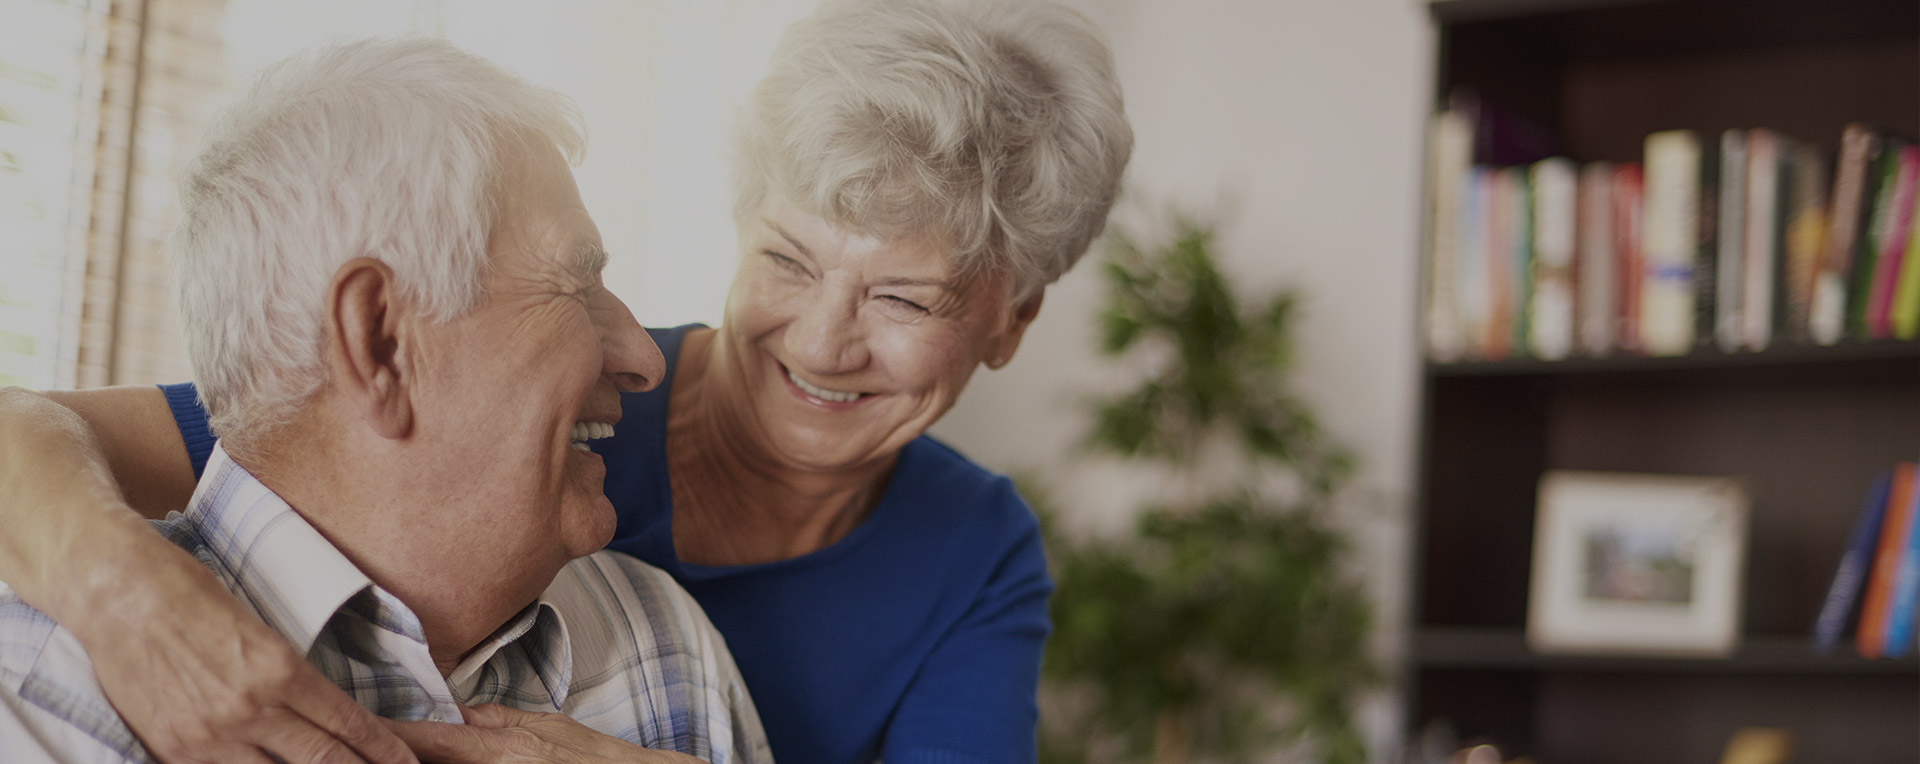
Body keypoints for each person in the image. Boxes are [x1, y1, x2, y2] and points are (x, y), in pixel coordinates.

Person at [0, 0, 1133, 762]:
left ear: (1011, 316)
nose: (825, 341)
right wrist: (113, 584)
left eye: (903, 298)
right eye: (788, 259)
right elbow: (72, 430)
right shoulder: (500, 403)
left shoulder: (954, 558)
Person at [0, 38, 768, 764]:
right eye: (576, 284)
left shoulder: (668, 649)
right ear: (381, 341)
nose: (643, 358)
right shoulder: (40, 694)